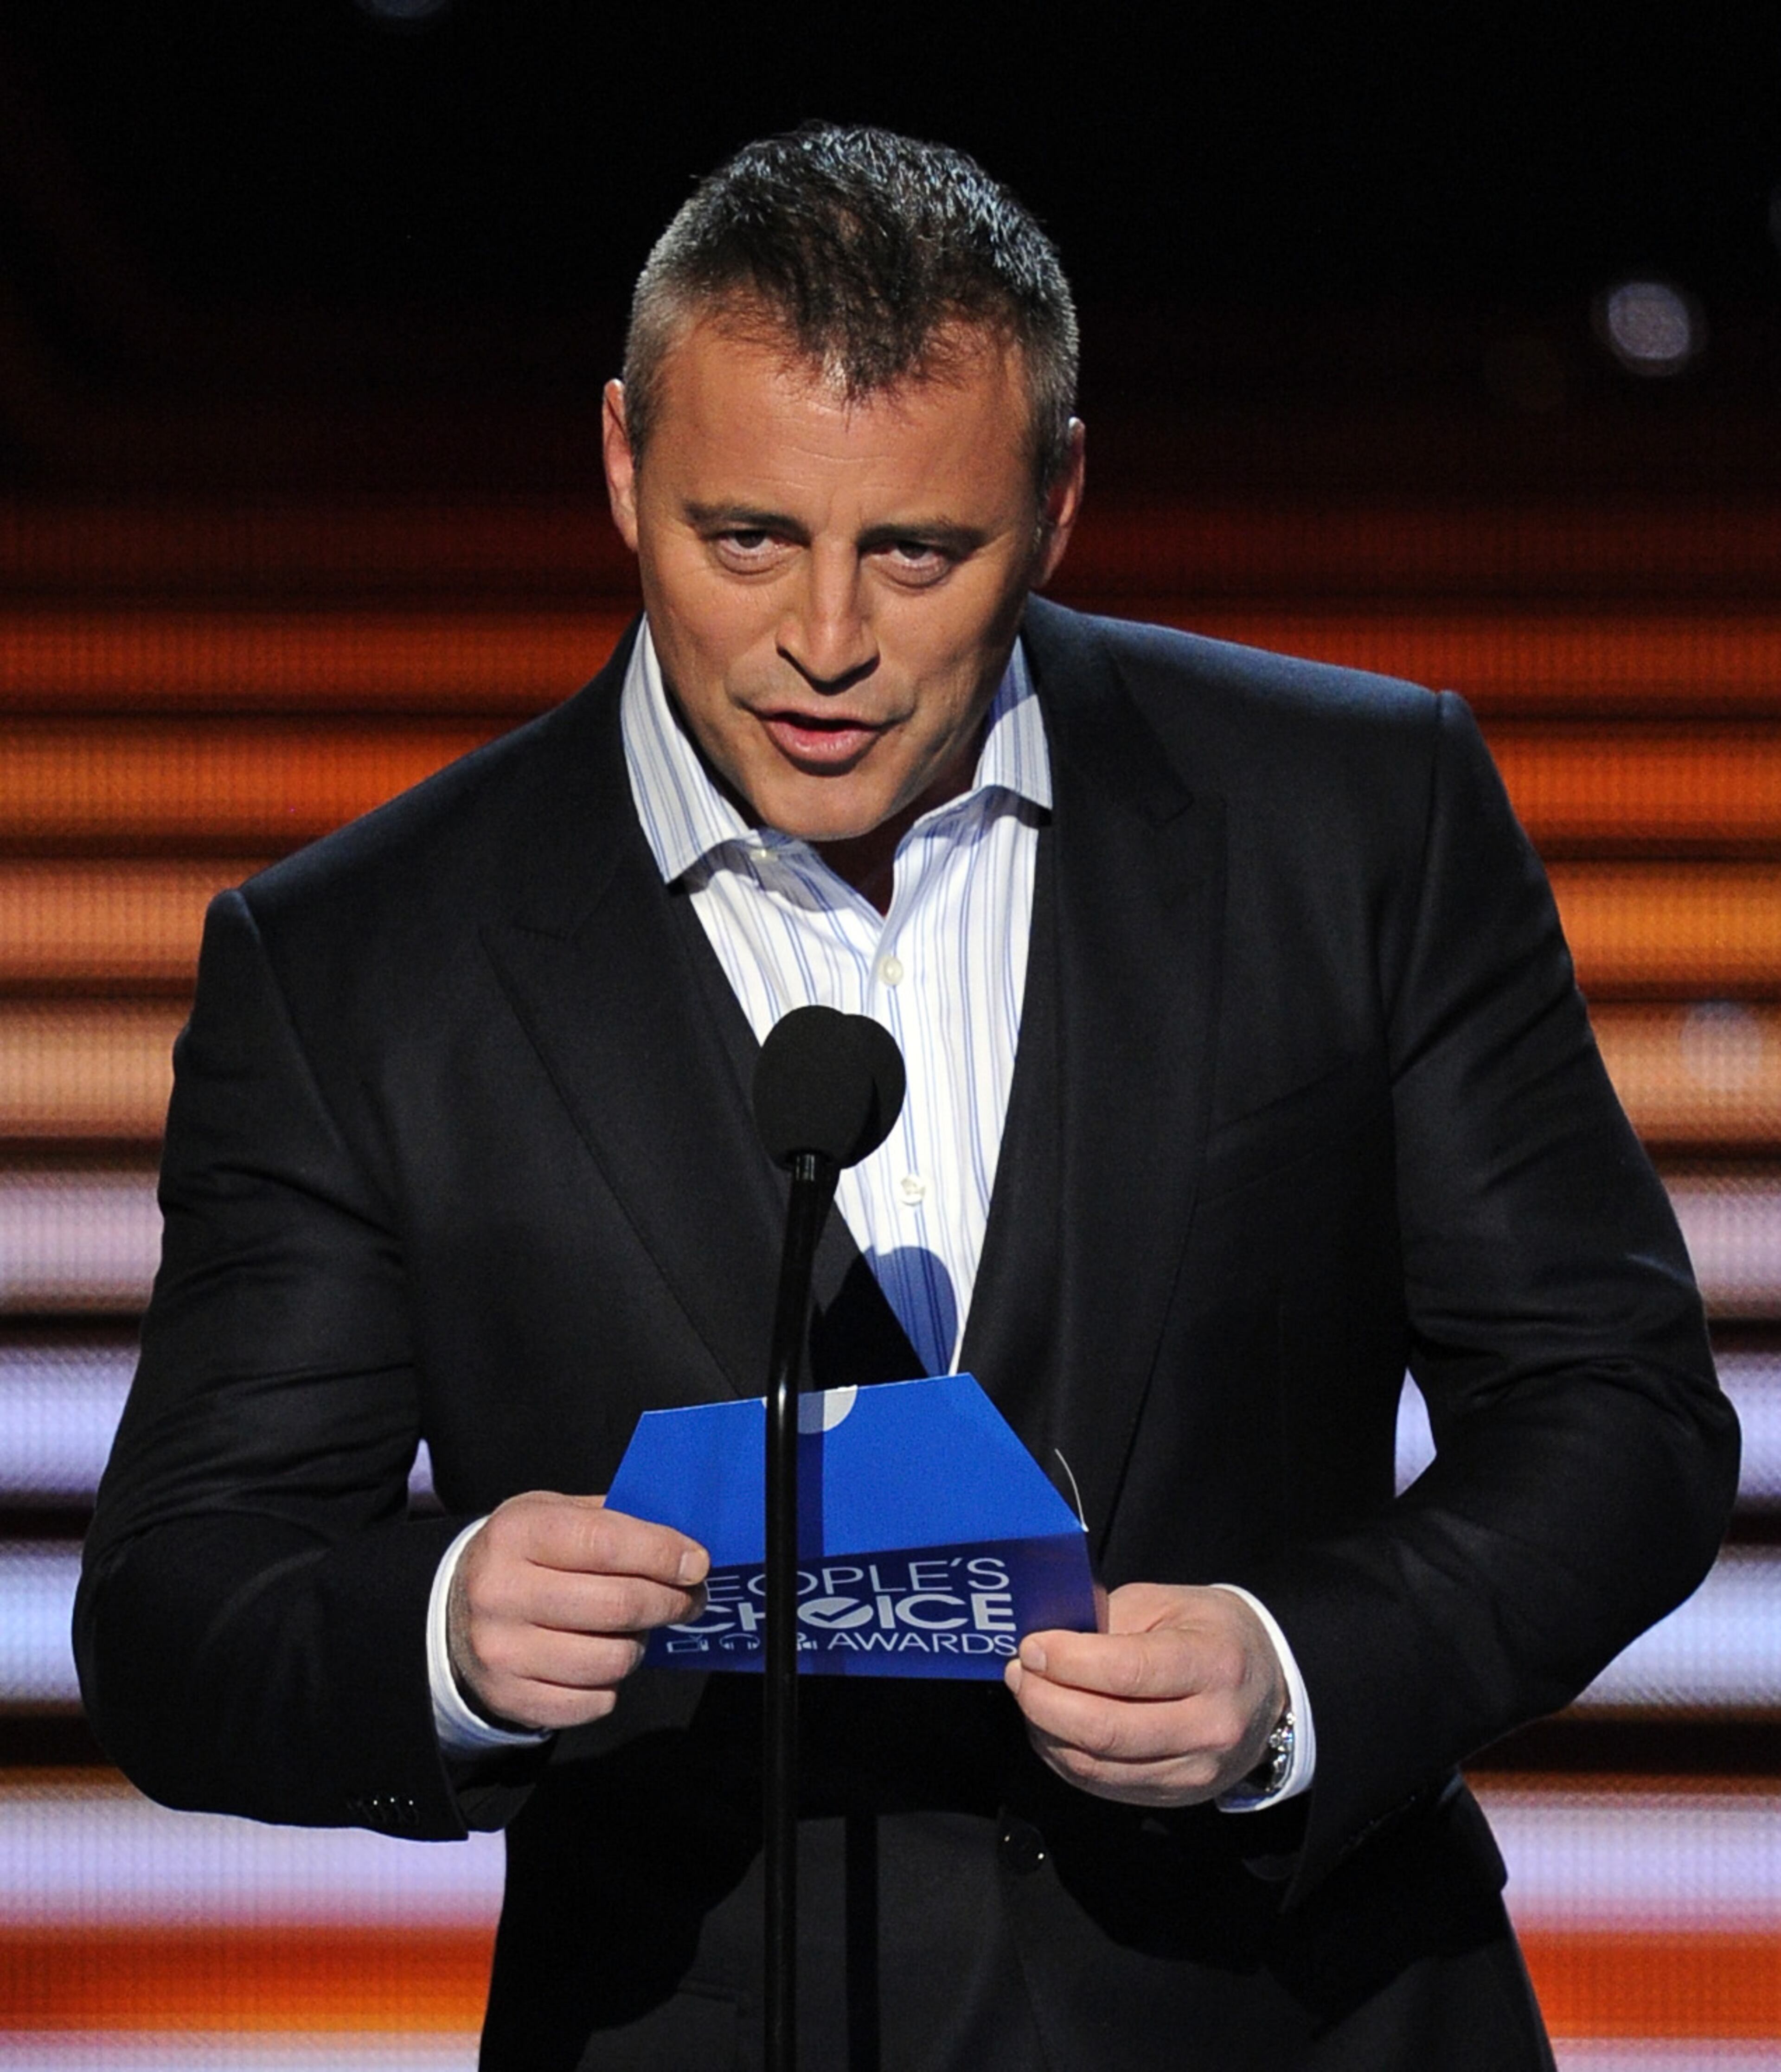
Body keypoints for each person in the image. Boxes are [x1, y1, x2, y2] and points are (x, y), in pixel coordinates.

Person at [77, 125, 1738, 2071]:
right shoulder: (359, 960)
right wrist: (444, 1630)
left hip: (1312, 2015)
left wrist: (1300, 1673)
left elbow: (1617, 1413)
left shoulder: (1357, 816)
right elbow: (182, 1611)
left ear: (1058, 500)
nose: (826, 643)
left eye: (916, 553)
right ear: (620, 462)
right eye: (746, 539)